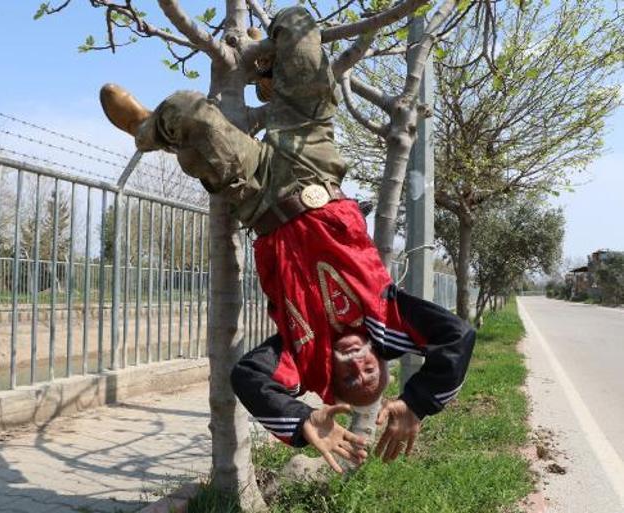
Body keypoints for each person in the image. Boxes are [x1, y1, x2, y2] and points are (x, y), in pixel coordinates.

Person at [98, 6, 475, 473]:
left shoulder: (301, 358)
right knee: (296, 23)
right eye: (370, 370)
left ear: (331, 379)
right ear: (381, 359)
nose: (357, 363)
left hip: (259, 194)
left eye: (348, 376)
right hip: (315, 162)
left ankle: (145, 128)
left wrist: (302, 423)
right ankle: (272, 72)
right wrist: (417, 404)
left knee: (186, 111)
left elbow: (248, 376)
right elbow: (457, 336)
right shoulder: (390, 320)